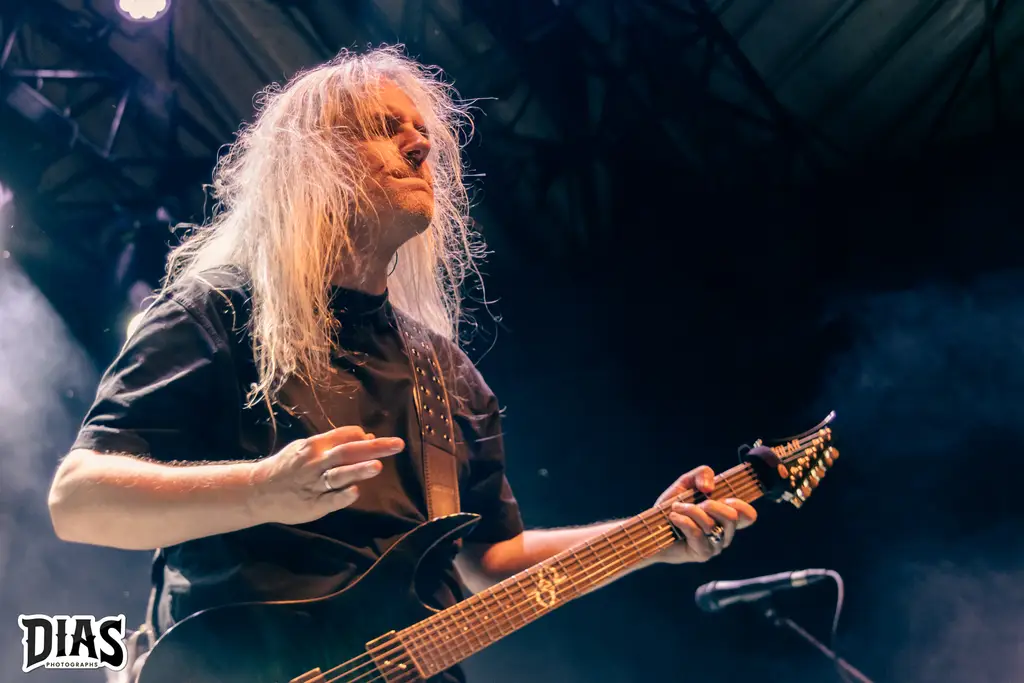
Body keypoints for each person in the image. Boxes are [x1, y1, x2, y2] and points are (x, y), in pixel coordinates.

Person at [47, 46, 757, 681]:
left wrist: (644, 538)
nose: (420, 144)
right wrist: (263, 489)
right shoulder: (220, 313)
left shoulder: (447, 378)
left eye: (420, 130)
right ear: (311, 164)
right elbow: (78, 502)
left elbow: (490, 560)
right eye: (386, 128)